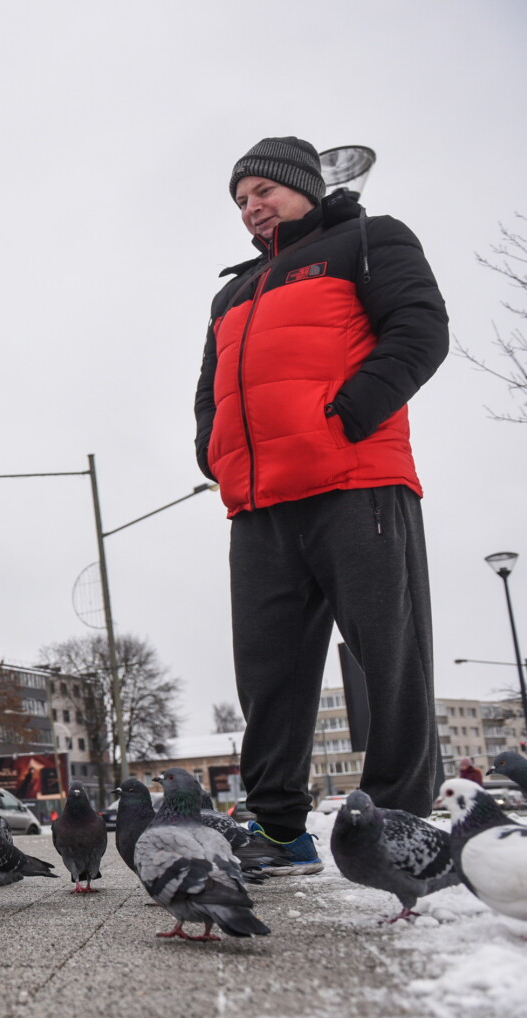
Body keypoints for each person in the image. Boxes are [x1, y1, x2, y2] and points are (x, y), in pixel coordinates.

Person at [193, 137, 449, 872]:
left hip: (355, 482)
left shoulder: (369, 240)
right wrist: (213, 451)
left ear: (304, 185)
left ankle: (396, 825)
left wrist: (349, 414)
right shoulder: (233, 293)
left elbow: (420, 330)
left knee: (389, 656)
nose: (251, 207)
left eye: (262, 191)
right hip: (259, 503)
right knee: (267, 674)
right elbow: (208, 392)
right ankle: (280, 830)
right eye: (240, 200)